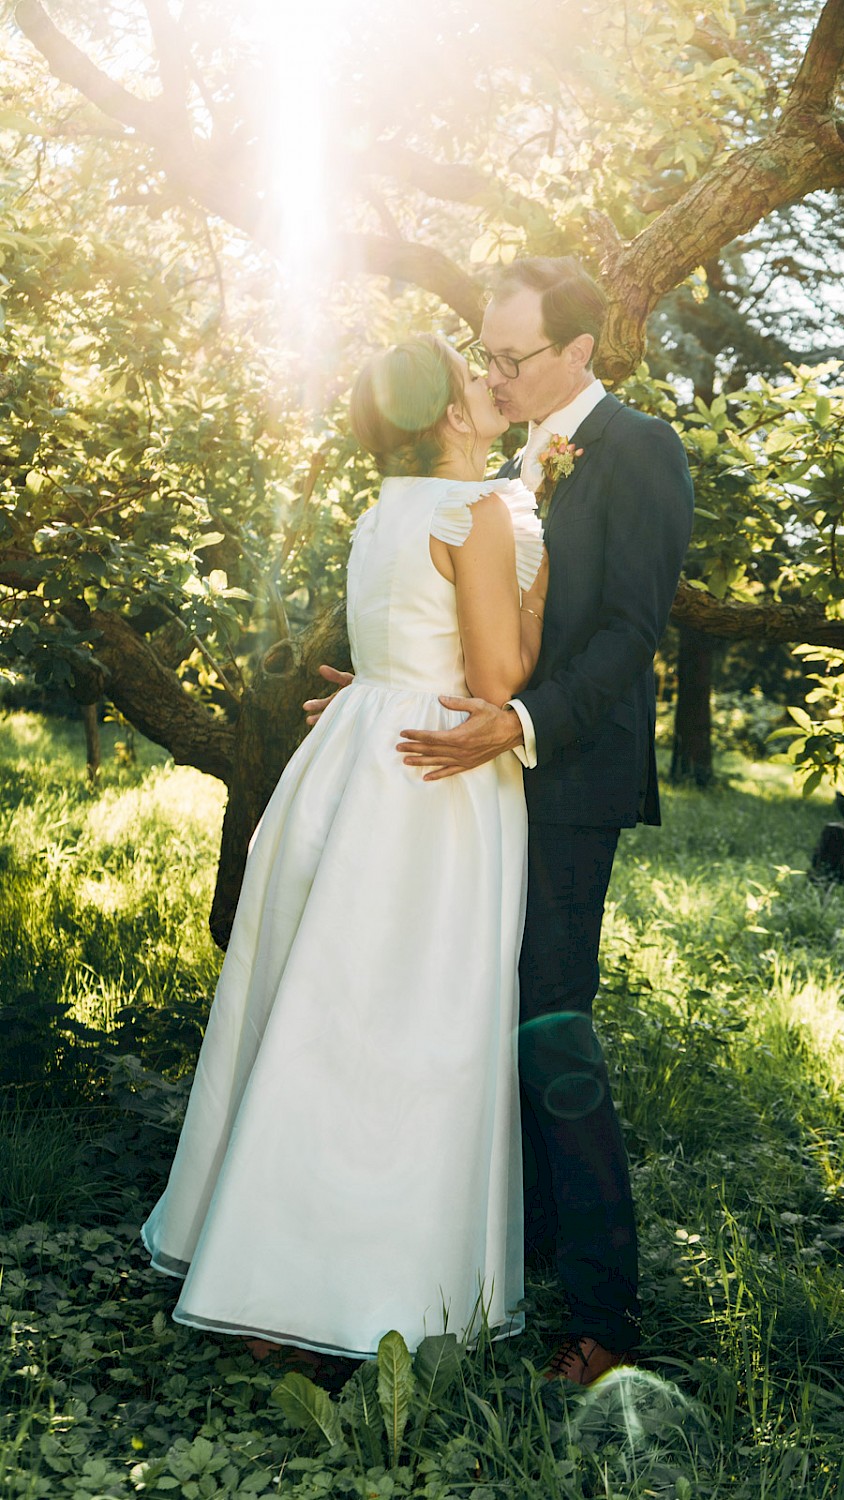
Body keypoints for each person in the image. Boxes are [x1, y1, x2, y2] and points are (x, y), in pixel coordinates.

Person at [307, 257, 694, 1385]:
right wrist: (395, 686)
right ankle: (486, 1269)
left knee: (548, 1028)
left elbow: (628, 634)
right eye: (488, 352)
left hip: (560, 781)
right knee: (460, 1019)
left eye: (516, 355)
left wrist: (517, 724)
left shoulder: (643, 450)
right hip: (461, 785)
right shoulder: (483, 464)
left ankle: (605, 1320)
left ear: (580, 352)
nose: (496, 371)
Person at [141, 335, 548, 1362]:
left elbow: (388, 652)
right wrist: (537, 583)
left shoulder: (382, 510)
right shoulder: (480, 511)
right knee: (420, 1017)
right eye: (471, 375)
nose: (488, 382)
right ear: (452, 415)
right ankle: (370, 1285)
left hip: (356, 754)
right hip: (436, 777)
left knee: (326, 1007)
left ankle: (272, 1274)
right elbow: (496, 677)